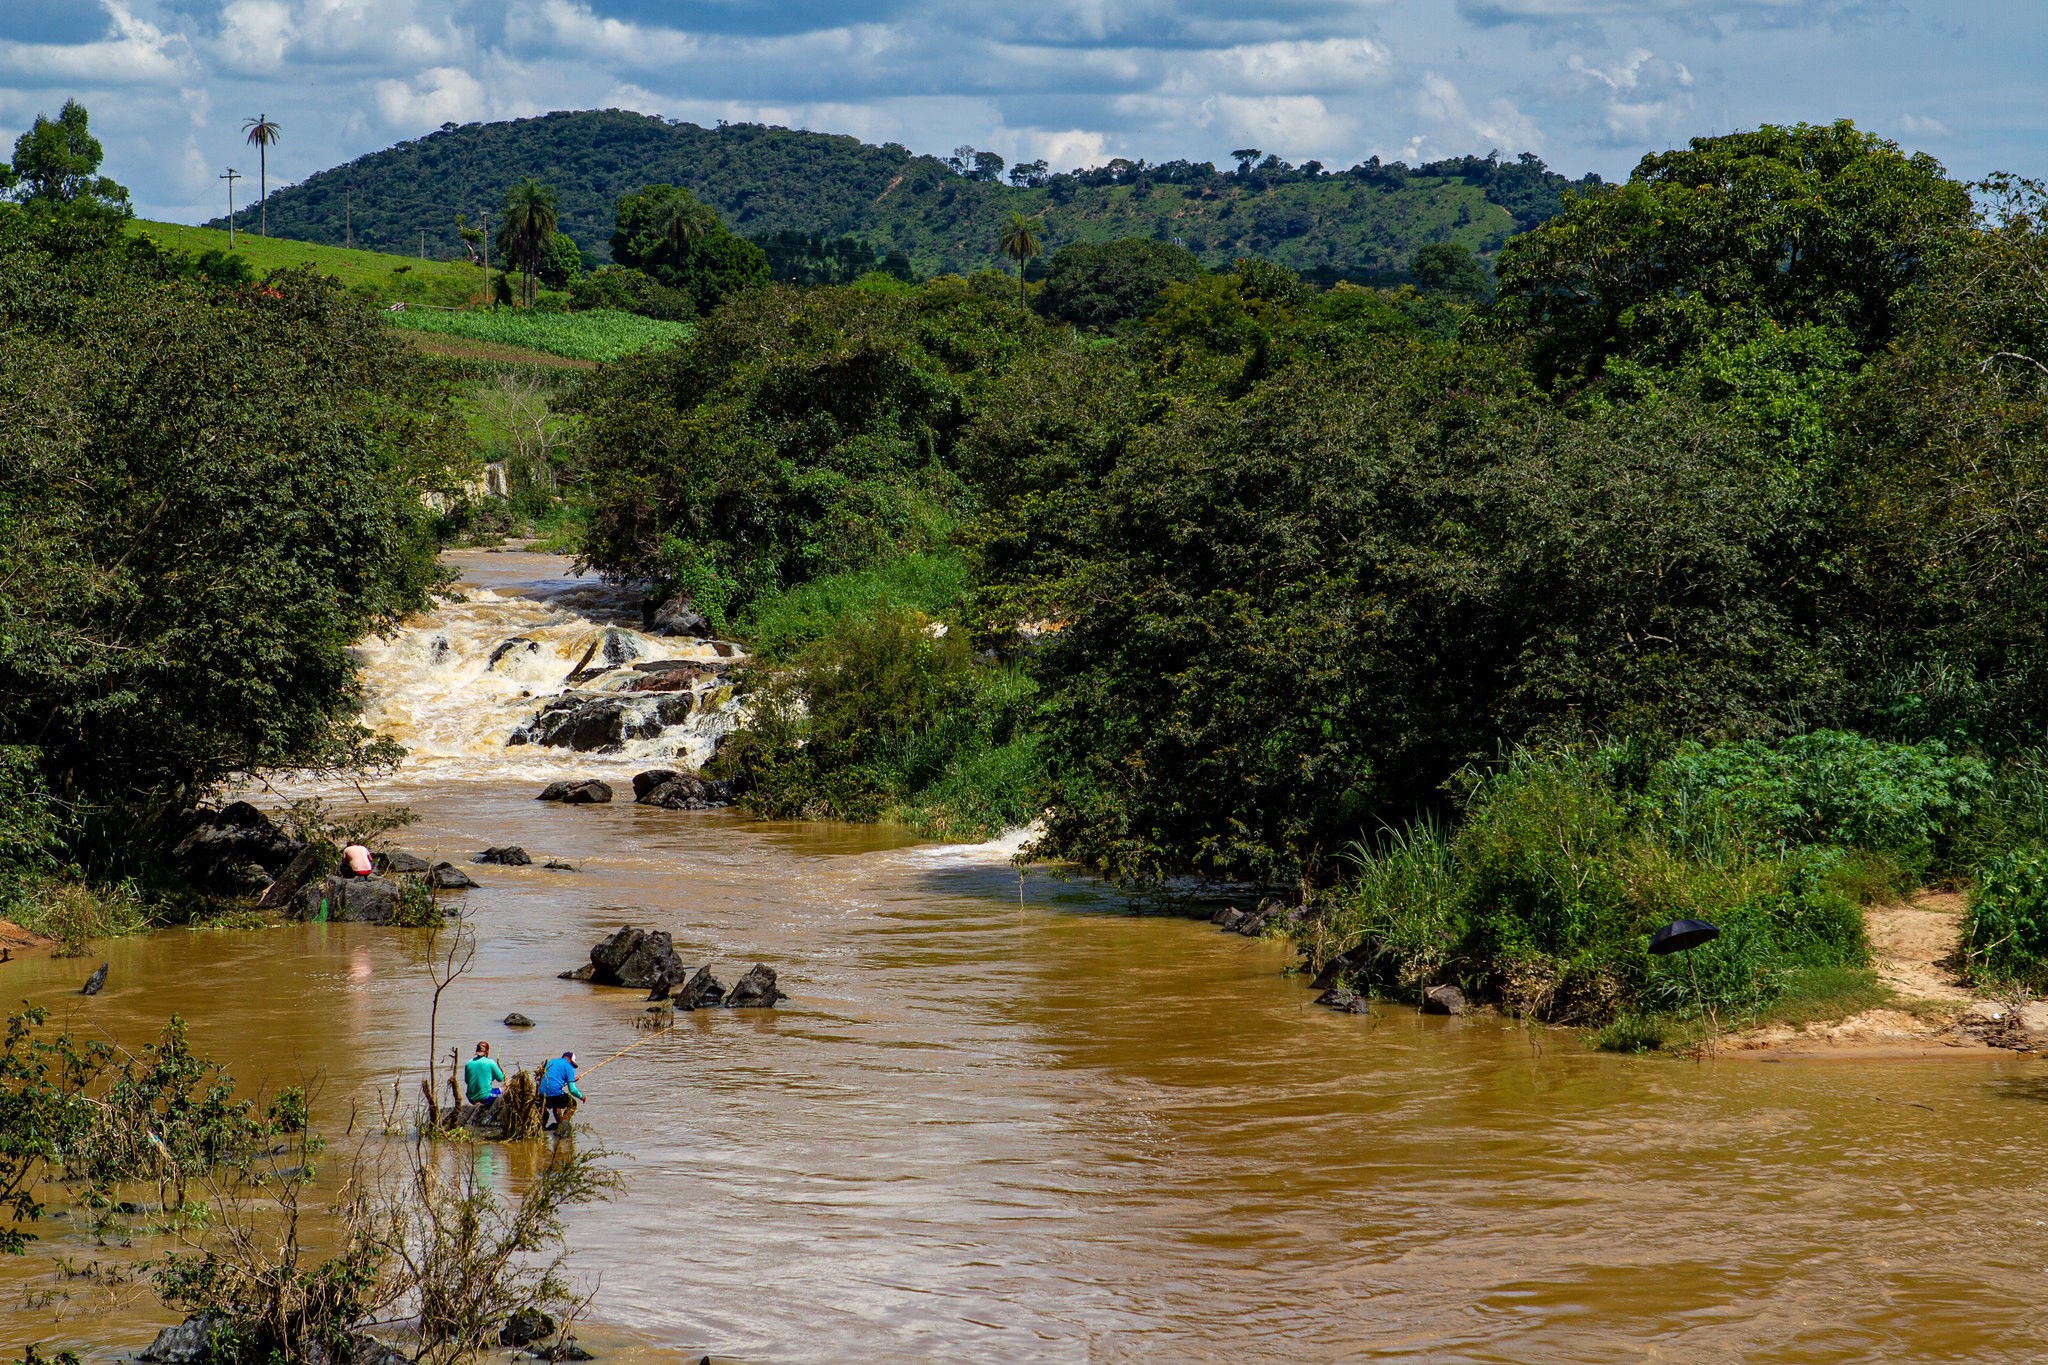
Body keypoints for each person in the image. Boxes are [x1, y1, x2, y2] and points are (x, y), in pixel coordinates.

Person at [537, 1050, 584, 1131]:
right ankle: (563, 1124)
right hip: (554, 1096)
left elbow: (551, 1079)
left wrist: (571, 1079)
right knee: (573, 1104)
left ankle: (558, 1123)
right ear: (569, 1060)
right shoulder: (569, 1067)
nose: (572, 1066)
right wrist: (581, 1096)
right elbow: (572, 1090)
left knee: (557, 1103)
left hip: (541, 1096)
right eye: (572, 1064)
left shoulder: (551, 1062)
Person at [463, 1041, 505, 1109]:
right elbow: (501, 1079)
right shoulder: (490, 1062)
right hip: (485, 1097)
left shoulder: (468, 1063)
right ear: (487, 1052)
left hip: (471, 1098)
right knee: (506, 1090)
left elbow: (467, 1081)